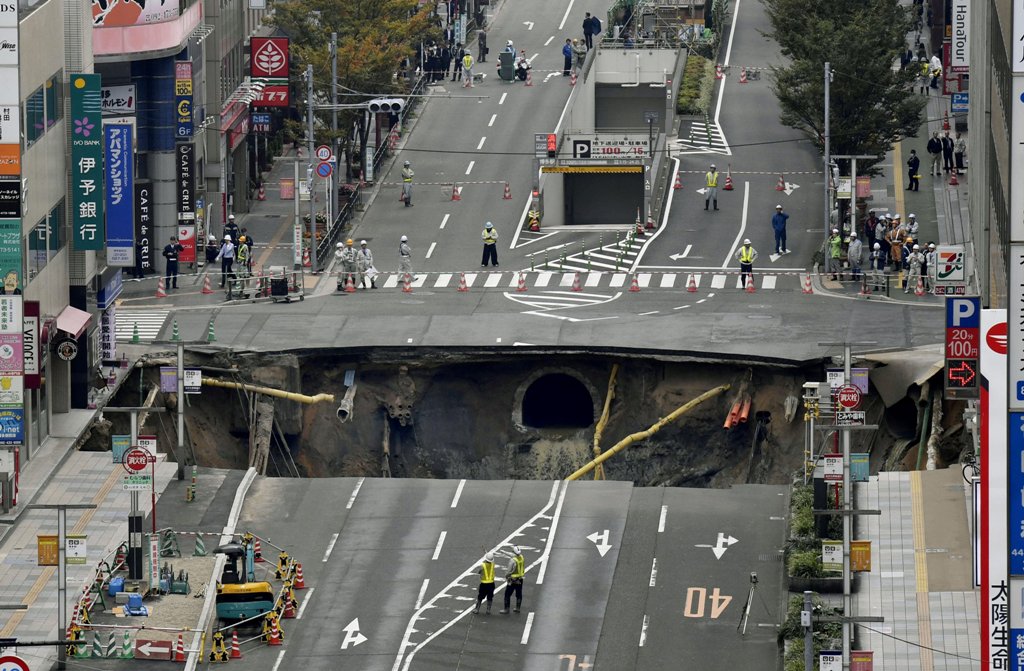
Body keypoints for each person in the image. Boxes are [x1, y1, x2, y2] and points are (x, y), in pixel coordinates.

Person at [499, 546, 525, 614]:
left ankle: (506, 609)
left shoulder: (512, 560)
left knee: (507, 594)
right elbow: (512, 555)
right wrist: (503, 552)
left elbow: (509, 571)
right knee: (519, 594)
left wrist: (506, 576)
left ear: (514, 552)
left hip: (512, 580)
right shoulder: (521, 557)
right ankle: (518, 608)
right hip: (520, 579)